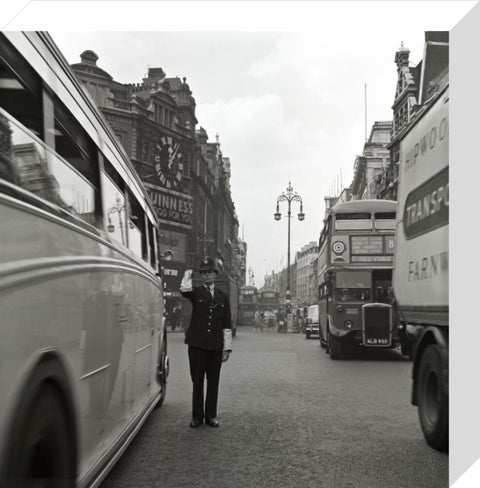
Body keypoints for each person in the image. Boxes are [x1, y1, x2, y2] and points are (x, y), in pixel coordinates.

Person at [180, 256, 232, 428]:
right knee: (197, 381)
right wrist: (189, 271)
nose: (206, 275)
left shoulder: (222, 296)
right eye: (203, 273)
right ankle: (197, 417)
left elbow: (226, 323)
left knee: (213, 381)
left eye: (209, 272)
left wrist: (227, 348)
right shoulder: (195, 292)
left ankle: (211, 416)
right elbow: (183, 289)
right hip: (197, 345)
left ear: (215, 274)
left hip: (215, 346)